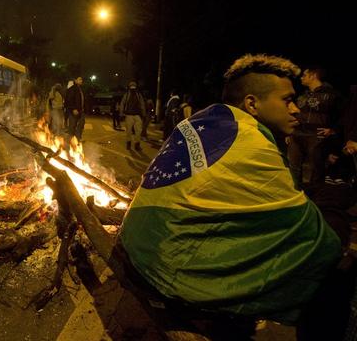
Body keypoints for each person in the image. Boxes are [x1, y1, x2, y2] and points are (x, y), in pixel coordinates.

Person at [119, 54, 349, 338]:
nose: (296, 110)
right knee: (331, 252)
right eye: (287, 100)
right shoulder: (251, 141)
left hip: (135, 245)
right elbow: (309, 232)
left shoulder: (208, 118)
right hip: (164, 273)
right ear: (252, 103)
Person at [287, 67, 343, 187]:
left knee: (315, 169)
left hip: (316, 136)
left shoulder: (331, 95)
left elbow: (343, 116)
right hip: (297, 135)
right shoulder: (302, 96)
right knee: (293, 167)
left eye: (304, 75)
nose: (301, 78)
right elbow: (294, 116)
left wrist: (334, 130)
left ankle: (315, 197)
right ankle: (295, 194)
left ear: (313, 76)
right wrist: (289, 131)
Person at [119, 81, 146, 151]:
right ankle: (129, 144)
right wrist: (121, 113)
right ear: (129, 87)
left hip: (137, 115)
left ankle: (137, 145)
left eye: (134, 86)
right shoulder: (127, 94)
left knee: (138, 131)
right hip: (129, 115)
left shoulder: (138, 95)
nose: (133, 87)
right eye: (131, 86)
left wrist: (143, 114)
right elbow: (122, 103)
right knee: (129, 131)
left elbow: (142, 104)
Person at [65, 76, 86, 142]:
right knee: (72, 127)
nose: (81, 80)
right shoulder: (72, 89)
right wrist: (73, 109)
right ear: (75, 80)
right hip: (74, 111)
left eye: (81, 79)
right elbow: (68, 100)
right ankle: (68, 143)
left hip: (80, 111)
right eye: (79, 79)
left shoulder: (79, 89)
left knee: (81, 123)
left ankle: (77, 139)